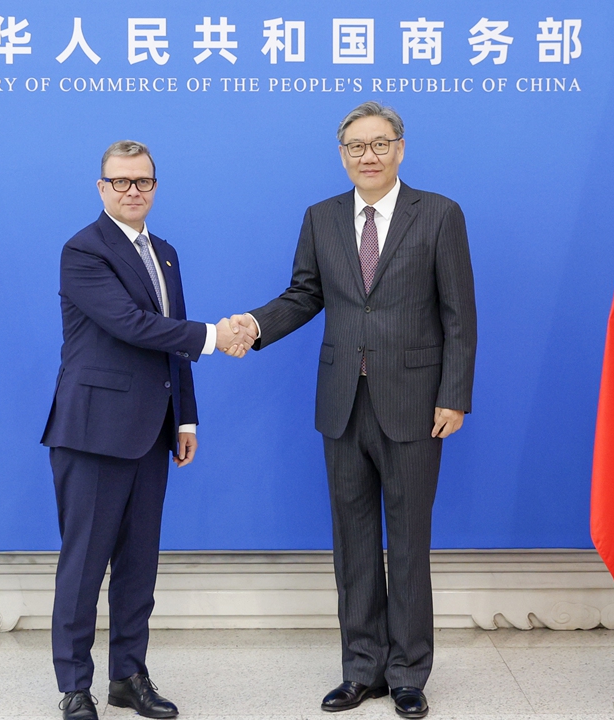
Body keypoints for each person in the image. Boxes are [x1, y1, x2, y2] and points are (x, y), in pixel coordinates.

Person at [231, 101, 477, 719]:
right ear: (342, 155)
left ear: (400, 148)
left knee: (410, 542)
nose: (368, 155)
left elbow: (459, 316)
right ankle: (361, 669)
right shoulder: (321, 218)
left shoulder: (440, 214)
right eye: (355, 147)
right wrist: (254, 326)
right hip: (342, 404)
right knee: (354, 542)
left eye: (379, 143)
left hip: (417, 405)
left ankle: (408, 674)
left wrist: (454, 394)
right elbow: (304, 295)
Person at [42, 140, 254, 720]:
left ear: (155, 187)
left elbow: (170, 345)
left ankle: (129, 677)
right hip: (91, 431)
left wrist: (185, 416)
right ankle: (75, 686)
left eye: (143, 182)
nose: (132, 191)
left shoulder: (164, 252)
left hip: (152, 431)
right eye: (121, 182)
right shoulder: (82, 250)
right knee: (84, 563)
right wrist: (216, 336)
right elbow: (133, 326)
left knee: (140, 563)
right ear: (101, 187)